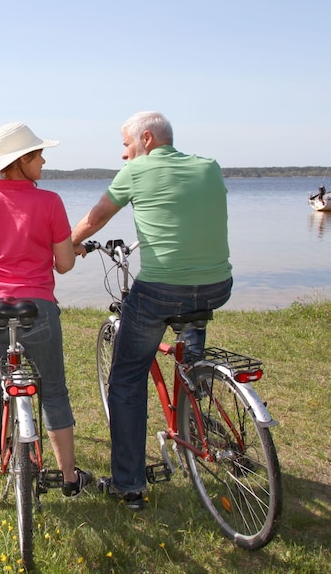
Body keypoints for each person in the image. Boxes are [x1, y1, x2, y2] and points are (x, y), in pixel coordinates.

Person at [71, 111, 232, 510]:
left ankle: (129, 483)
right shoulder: (209, 167)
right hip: (217, 287)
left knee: (125, 379)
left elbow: (95, 219)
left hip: (161, 290)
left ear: (146, 138)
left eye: (126, 145)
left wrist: (66, 244)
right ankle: (198, 411)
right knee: (190, 357)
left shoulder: (136, 173)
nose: (124, 155)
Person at [0, 121, 92, 502]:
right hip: (39, 309)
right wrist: (62, 252)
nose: (44, 161)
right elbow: (64, 265)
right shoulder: (51, 202)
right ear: (22, 159)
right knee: (55, 392)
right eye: (39, 154)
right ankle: (69, 478)